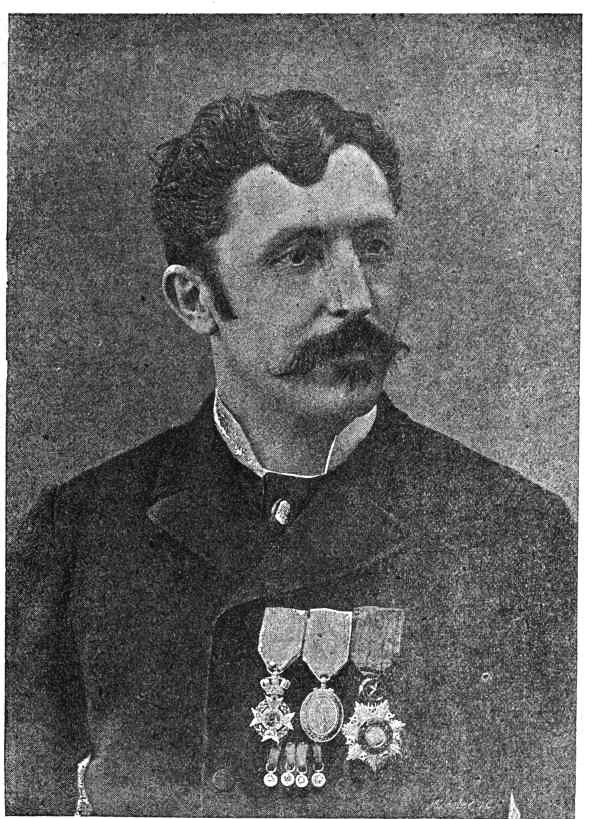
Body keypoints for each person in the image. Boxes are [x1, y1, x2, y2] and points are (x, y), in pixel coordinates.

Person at [6, 89, 576, 818]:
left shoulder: (516, 535)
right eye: (299, 256)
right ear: (193, 299)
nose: (354, 297)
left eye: (374, 247)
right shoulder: (79, 534)